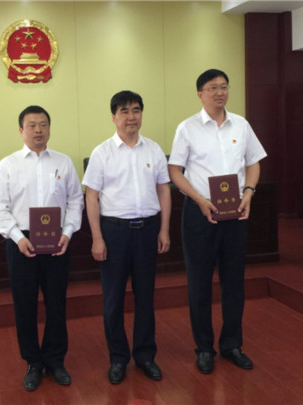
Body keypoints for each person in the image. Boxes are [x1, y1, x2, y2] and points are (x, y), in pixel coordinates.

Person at [168, 69, 267, 374]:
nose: (220, 92)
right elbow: (175, 171)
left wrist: (249, 192)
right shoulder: (187, 128)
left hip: (235, 212)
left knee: (234, 282)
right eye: (213, 88)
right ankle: (204, 348)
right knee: (199, 284)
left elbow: (253, 163)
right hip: (200, 214)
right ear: (200, 94)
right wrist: (199, 200)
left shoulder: (241, 124)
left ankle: (232, 344)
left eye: (224, 87)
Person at [0, 105, 84, 392]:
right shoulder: (8, 165)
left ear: (49, 128)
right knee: (25, 305)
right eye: (31, 125)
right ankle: (33, 362)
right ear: (21, 130)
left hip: (57, 241)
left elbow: (75, 201)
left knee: (57, 303)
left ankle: (55, 360)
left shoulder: (63, 162)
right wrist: (17, 237)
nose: (38, 130)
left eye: (43, 124)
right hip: (21, 242)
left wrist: (68, 232)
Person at [82, 90, 171, 384]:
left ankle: (145, 356)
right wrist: (97, 238)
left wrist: (164, 229)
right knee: (113, 299)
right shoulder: (102, 153)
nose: (131, 116)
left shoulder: (154, 150)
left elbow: (163, 190)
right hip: (114, 233)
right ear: (113, 117)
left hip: (147, 231)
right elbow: (91, 197)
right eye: (124, 111)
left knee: (146, 297)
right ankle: (118, 358)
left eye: (136, 110)